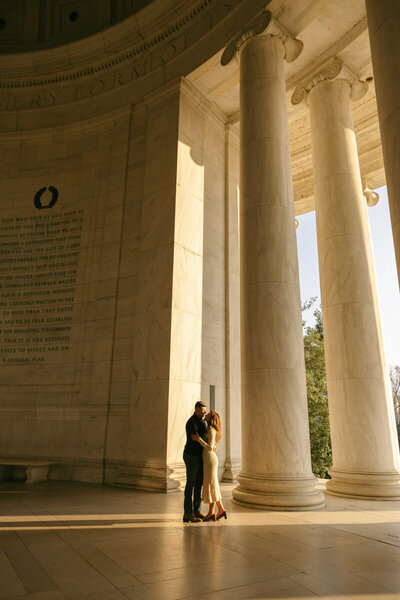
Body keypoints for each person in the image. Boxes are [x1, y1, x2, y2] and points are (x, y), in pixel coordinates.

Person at [191, 410, 227, 521]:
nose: (205, 415)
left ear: (211, 418)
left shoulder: (211, 430)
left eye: (208, 415)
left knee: (212, 485)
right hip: (208, 460)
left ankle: (214, 512)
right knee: (212, 485)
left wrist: (198, 439)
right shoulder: (209, 429)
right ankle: (218, 510)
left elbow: (210, 447)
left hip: (210, 460)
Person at [183, 400, 208, 523]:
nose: (204, 413)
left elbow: (202, 438)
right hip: (191, 455)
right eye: (203, 411)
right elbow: (196, 438)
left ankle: (197, 511)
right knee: (191, 483)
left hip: (199, 456)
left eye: (205, 411)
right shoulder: (191, 422)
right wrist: (203, 440)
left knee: (198, 483)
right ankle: (188, 513)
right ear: (197, 409)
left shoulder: (202, 421)